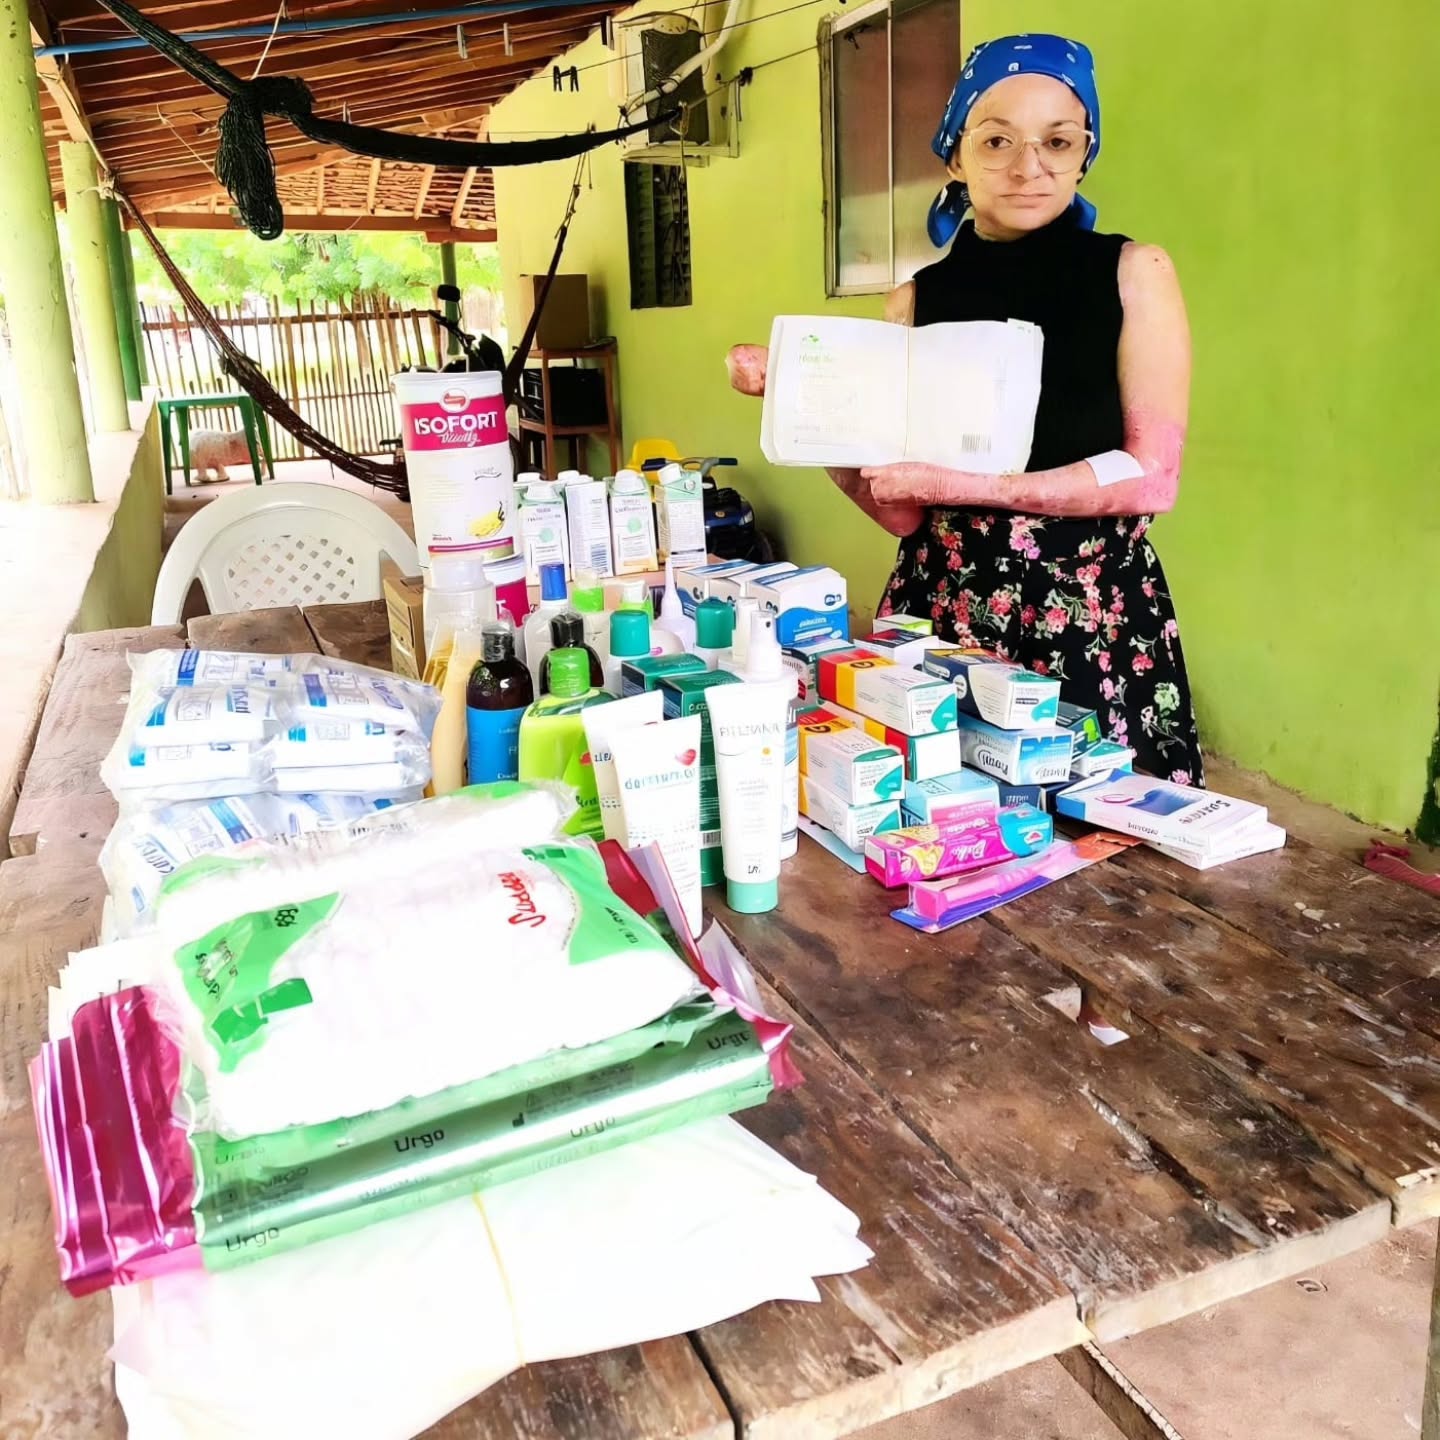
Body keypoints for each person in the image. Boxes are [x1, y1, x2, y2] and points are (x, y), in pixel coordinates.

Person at [728, 34, 1203, 783]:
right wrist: (807, 416)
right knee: (937, 831)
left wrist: (972, 488)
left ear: (1085, 153)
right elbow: (903, 515)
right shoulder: (919, 299)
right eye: (996, 140)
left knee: (1102, 855)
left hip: (1090, 620)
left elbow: (1152, 477)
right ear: (954, 156)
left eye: (1057, 140)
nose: (1029, 165)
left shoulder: (1132, 273)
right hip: (938, 607)